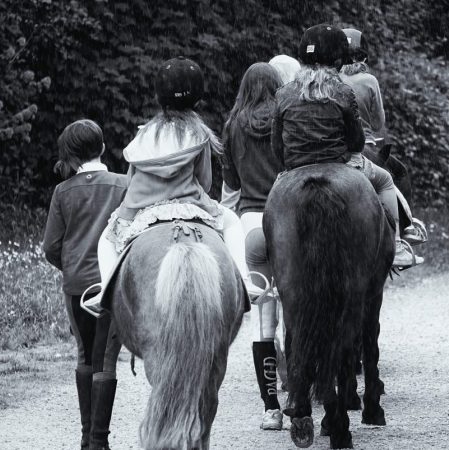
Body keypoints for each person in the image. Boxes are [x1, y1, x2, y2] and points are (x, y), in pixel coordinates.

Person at [81, 57, 266, 317]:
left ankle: (104, 293)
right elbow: (205, 182)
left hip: (142, 209)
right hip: (189, 203)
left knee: (106, 239)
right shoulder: (198, 134)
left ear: (159, 96)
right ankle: (245, 282)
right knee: (233, 223)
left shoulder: (144, 135)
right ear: (198, 99)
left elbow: (132, 178)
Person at [273, 24, 423, 267]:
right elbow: (356, 142)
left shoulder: (283, 93)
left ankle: (271, 259)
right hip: (339, 163)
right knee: (386, 180)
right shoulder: (342, 91)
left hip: (295, 168)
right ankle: (396, 245)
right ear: (337, 59)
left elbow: (277, 147)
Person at [42, 119, 126, 450]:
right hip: (112, 284)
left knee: (85, 355)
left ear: (71, 154)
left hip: (76, 285)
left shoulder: (62, 192)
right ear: (103, 148)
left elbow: (51, 247)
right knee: (106, 358)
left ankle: (85, 437)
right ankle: (98, 441)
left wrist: (72, 267)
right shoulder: (122, 184)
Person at [221, 62, 287, 430]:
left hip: (251, 224)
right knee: (296, 313)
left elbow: (230, 187)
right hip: (287, 213)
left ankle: (271, 409)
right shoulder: (285, 119)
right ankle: (300, 397)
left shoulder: (233, 127)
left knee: (263, 319)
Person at [340, 27, 428, 245]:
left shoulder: (330, 79)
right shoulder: (369, 80)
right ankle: (405, 230)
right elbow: (379, 123)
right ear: (365, 55)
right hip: (363, 146)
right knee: (398, 172)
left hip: (334, 145)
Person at [219, 54, 301, 210]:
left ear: (245, 87)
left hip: (249, 210)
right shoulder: (287, 118)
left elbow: (232, 182)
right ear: (277, 83)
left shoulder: (233, 124)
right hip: (285, 207)